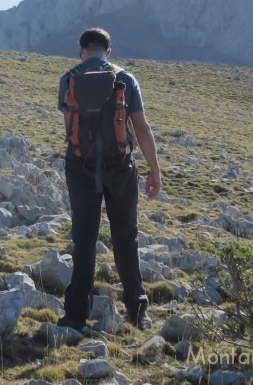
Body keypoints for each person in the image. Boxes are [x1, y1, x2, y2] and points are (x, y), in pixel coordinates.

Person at [56, 27, 162, 331]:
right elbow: (140, 127)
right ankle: (136, 311)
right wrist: (154, 169)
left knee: (85, 239)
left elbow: (69, 126)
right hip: (120, 167)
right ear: (109, 51)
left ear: (81, 49)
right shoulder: (126, 79)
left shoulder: (68, 78)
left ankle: (76, 314)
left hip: (81, 167)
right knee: (126, 237)